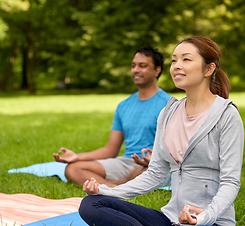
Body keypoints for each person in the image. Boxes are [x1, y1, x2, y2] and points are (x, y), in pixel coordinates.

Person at [79, 36, 244, 226]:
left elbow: (230, 182)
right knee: (91, 204)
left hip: (211, 225)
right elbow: (155, 174)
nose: (176, 66)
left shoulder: (226, 114)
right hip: (170, 220)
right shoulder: (168, 113)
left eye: (186, 59)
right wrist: (107, 191)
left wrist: (205, 217)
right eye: (174, 60)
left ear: (208, 69)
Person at [53, 46, 171, 187]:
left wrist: (153, 160)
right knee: (73, 168)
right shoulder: (124, 106)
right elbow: (110, 149)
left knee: (145, 172)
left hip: (154, 165)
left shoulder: (168, 104)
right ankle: (115, 188)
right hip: (126, 162)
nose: (136, 70)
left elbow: (176, 150)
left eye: (143, 66)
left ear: (157, 70)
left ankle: (115, 186)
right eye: (133, 66)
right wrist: (77, 157)